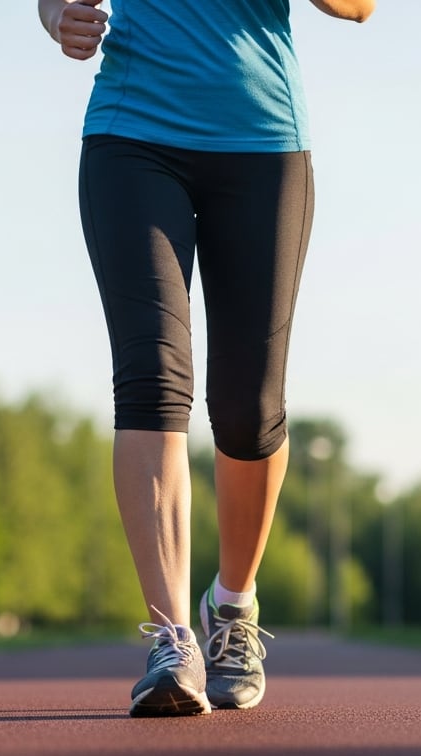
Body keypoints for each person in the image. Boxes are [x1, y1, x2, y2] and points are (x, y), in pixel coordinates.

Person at [38, 0, 374, 717]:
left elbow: (361, 6)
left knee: (250, 407)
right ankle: (171, 640)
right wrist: (57, 15)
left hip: (263, 140)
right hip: (132, 135)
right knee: (152, 377)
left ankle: (233, 608)